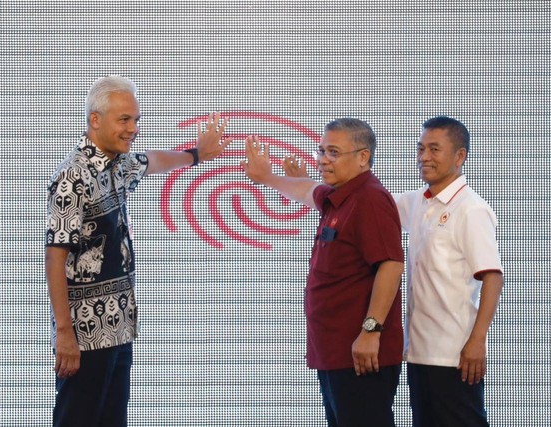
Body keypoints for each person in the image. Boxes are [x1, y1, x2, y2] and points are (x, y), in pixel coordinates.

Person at [45, 75, 231, 427]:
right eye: (124, 120)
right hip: (85, 332)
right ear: (95, 120)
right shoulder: (73, 177)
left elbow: (154, 161)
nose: (133, 128)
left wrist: (196, 155)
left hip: (118, 325)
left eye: (136, 120)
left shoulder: (119, 162)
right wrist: (64, 333)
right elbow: (55, 256)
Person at [241, 118, 405, 427]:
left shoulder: (369, 198)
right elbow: (306, 189)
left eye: (333, 152)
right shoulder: (337, 197)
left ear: (363, 157)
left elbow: (391, 265)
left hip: (360, 355)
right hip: (334, 352)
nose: (322, 160)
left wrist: (371, 331)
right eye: (321, 151)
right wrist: (267, 176)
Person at [393, 116, 504, 426]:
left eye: (434, 149)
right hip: (418, 352)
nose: (424, 157)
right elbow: (369, 205)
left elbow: (492, 275)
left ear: (459, 156)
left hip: (454, 355)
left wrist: (477, 340)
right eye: (421, 148)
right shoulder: (418, 202)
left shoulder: (471, 209)